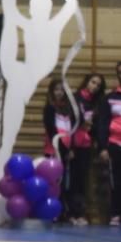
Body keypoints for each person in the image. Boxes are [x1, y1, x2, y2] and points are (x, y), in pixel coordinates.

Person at [0, 0, 78, 193]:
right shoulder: (27, 24)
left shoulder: (53, 26)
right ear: (31, 8)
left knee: (10, 16)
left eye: (41, 5)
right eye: (33, 5)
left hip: (31, 72)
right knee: (9, 17)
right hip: (20, 74)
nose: (36, 9)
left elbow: (71, 6)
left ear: (47, 9)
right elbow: (8, 3)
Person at [67, 73, 106, 225]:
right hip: (73, 144)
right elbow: (69, 123)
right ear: (86, 81)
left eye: (98, 85)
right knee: (71, 181)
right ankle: (70, 213)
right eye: (93, 82)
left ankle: (80, 213)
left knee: (82, 181)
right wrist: (69, 146)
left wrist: (92, 128)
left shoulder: (97, 103)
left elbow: (98, 126)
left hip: (86, 146)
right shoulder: (75, 99)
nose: (94, 86)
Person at [95, 61, 121, 227]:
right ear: (118, 76)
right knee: (117, 182)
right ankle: (116, 213)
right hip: (116, 146)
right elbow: (102, 124)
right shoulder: (110, 98)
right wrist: (103, 148)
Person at [42, 79, 76, 222]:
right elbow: (51, 130)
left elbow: (73, 130)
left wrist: (71, 148)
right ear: (51, 91)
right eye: (56, 89)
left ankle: (62, 211)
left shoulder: (69, 109)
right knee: (53, 181)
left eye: (62, 90)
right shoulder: (49, 108)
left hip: (68, 150)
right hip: (54, 149)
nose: (59, 92)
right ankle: (52, 210)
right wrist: (61, 149)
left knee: (65, 183)